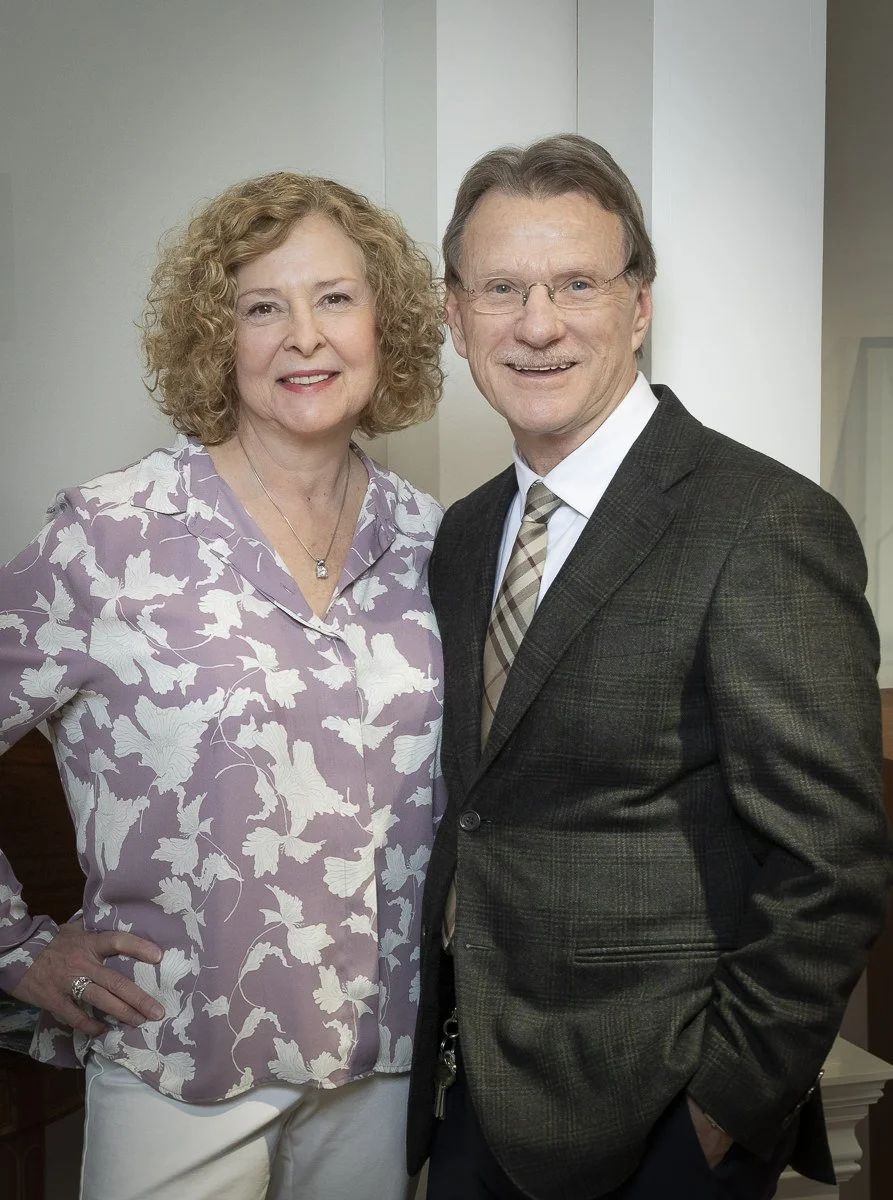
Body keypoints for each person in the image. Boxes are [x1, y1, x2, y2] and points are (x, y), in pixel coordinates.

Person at [406, 133, 892, 1200]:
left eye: (576, 282)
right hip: (470, 1095)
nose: (536, 324)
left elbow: (832, 862)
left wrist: (720, 1112)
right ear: (453, 314)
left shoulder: (759, 524)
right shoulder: (462, 535)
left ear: (637, 306)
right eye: (499, 288)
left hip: (660, 1119)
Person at [0, 170, 445, 1199]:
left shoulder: (435, 542)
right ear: (216, 337)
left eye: (334, 298)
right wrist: (20, 951)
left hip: (387, 1071)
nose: (304, 337)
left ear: (386, 324)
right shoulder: (108, 539)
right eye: (261, 306)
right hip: (180, 1069)